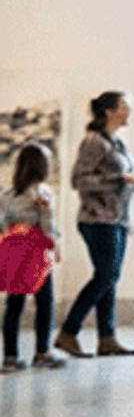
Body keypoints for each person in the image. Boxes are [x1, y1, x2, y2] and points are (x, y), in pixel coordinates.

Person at [53, 91, 134, 359]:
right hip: (98, 220)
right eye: (125, 107)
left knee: (109, 279)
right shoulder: (94, 142)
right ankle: (68, 331)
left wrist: (126, 184)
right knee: (106, 276)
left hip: (116, 220)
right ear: (109, 112)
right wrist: (117, 181)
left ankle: (107, 338)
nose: (130, 112)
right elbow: (79, 180)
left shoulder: (116, 142)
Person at [2, 144, 62, 372]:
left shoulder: (8, 194)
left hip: (15, 253)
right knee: (44, 303)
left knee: (14, 305)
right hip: (36, 254)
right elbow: (47, 226)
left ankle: (10, 357)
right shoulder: (43, 192)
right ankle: (42, 353)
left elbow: (4, 225)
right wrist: (55, 247)